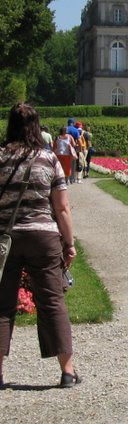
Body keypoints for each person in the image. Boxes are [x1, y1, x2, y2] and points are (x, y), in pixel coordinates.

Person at [0, 102, 80, 389]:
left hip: (5, 239)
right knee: (52, 301)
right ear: (37, 126)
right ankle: (67, 371)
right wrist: (68, 244)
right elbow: (62, 209)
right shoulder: (48, 159)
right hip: (43, 236)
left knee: (2, 304)